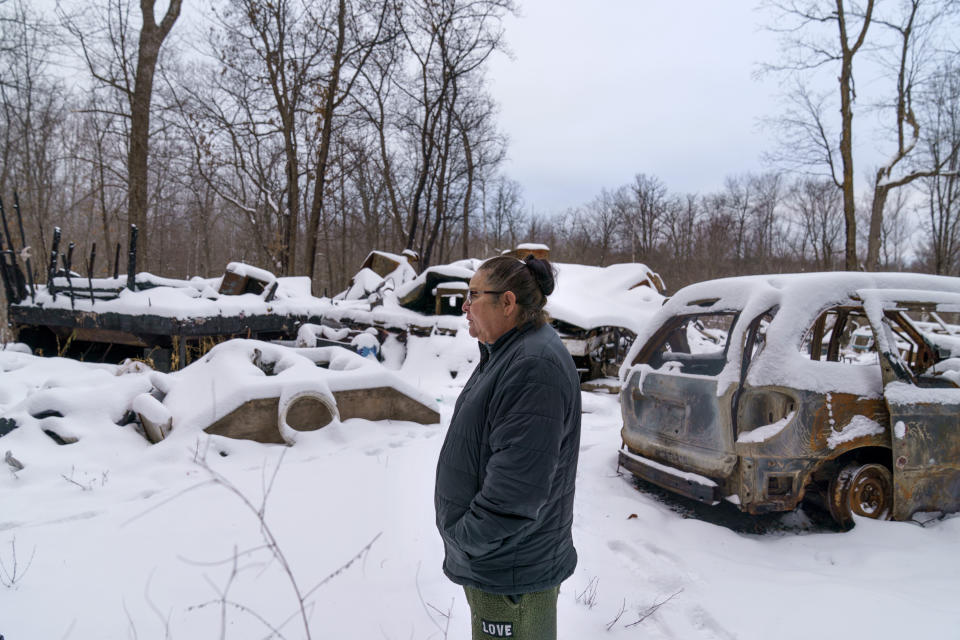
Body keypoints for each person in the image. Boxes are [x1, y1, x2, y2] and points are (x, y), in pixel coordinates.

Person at [434, 254, 581, 640]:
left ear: (508, 302)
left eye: (473, 295)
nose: (464, 306)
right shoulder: (508, 352)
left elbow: (516, 491)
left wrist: (466, 539)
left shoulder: (533, 367)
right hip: (502, 562)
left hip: (510, 571)